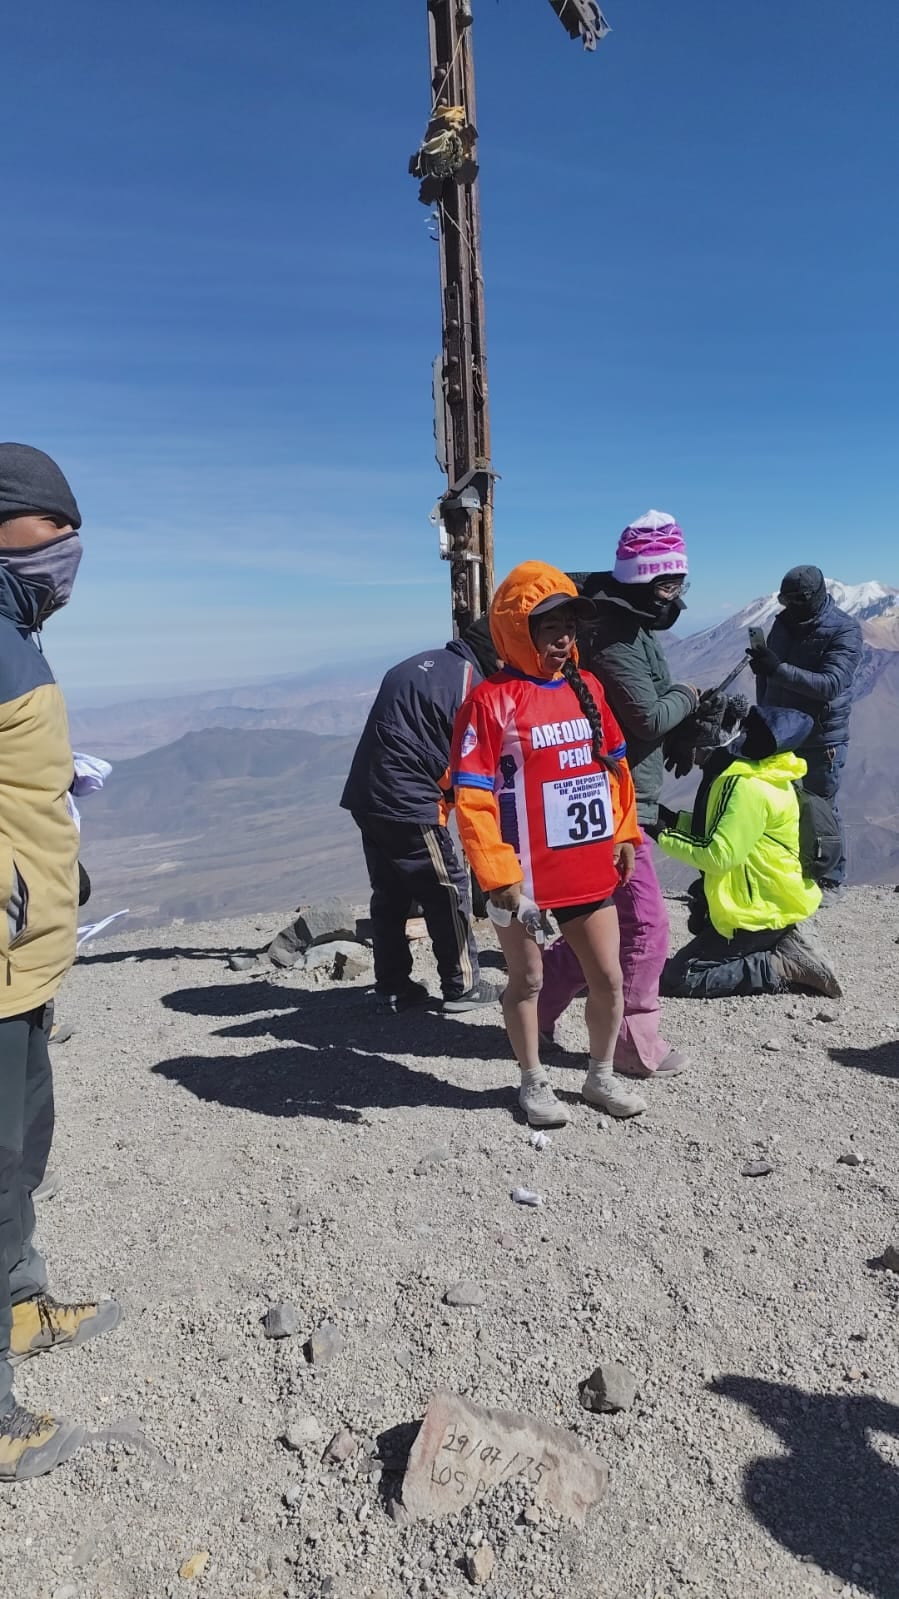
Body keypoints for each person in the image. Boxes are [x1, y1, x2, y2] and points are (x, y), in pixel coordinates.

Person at [0, 443, 120, 1483]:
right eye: (55, 526)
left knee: (20, 1150)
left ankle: (18, 1306)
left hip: (24, 961)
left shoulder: (12, 630)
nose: (71, 548)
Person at [450, 561, 645, 1128]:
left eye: (569, 627)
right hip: (521, 878)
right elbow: (472, 794)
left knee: (607, 978)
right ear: (518, 630)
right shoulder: (490, 701)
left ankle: (599, 1075)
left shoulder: (589, 688)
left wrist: (624, 831)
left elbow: (615, 767)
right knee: (529, 980)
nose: (563, 639)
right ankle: (533, 1080)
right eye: (549, 627)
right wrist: (497, 874)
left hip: (585, 865)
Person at [536, 511, 699, 1077]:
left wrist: (680, 721)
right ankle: (631, 1044)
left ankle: (533, 1008)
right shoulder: (614, 635)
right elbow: (646, 716)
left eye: (679, 582)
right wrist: (688, 697)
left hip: (612, 796)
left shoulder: (629, 625)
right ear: (644, 582)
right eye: (668, 584)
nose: (676, 596)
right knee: (646, 924)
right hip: (613, 802)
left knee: (603, 922)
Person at [340, 618, 500, 1012]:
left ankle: (393, 982)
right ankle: (462, 985)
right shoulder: (472, 684)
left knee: (390, 892)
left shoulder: (416, 664)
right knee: (446, 888)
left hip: (366, 793)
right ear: (496, 651)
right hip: (408, 799)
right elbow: (466, 760)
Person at [657, 705, 841, 999]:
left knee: (680, 978)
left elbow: (718, 855)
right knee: (698, 935)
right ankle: (782, 941)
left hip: (757, 913)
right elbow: (728, 829)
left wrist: (663, 835)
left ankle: (779, 965)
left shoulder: (745, 786)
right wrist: (673, 821)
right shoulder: (771, 776)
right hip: (773, 902)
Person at [750, 566, 862, 893]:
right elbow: (767, 675)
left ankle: (830, 879)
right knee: (780, 805)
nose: (790, 606)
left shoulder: (844, 629)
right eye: (785, 599)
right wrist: (761, 711)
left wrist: (777, 669)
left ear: (816, 595)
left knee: (820, 807)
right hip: (780, 730)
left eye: (797, 600)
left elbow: (831, 684)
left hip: (820, 736)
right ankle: (789, 875)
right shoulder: (783, 624)